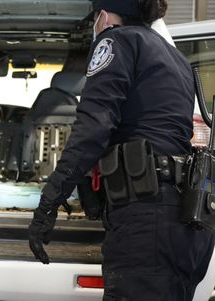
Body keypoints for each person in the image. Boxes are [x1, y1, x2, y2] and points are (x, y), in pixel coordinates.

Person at [28, 0, 215, 300]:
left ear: (102, 16)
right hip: (186, 222)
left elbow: (92, 129)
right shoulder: (175, 57)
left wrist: (48, 203)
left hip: (147, 224)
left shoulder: (115, 40)